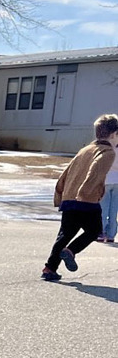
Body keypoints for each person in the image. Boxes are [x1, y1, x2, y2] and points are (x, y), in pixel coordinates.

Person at [42, 113, 118, 281]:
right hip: (86, 200)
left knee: (65, 234)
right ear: (114, 134)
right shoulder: (107, 152)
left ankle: (49, 268)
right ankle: (70, 251)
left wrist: (60, 191)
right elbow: (95, 171)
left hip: (69, 198)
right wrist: (84, 193)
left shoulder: (85, 149)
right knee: (94, 231)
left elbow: (67, 171)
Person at [99, 160, 118, 243]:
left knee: (103, 209)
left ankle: (101, 232)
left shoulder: (107, 148)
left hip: (106, 179)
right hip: (117, 180)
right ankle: (111, 234)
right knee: (114, 210)